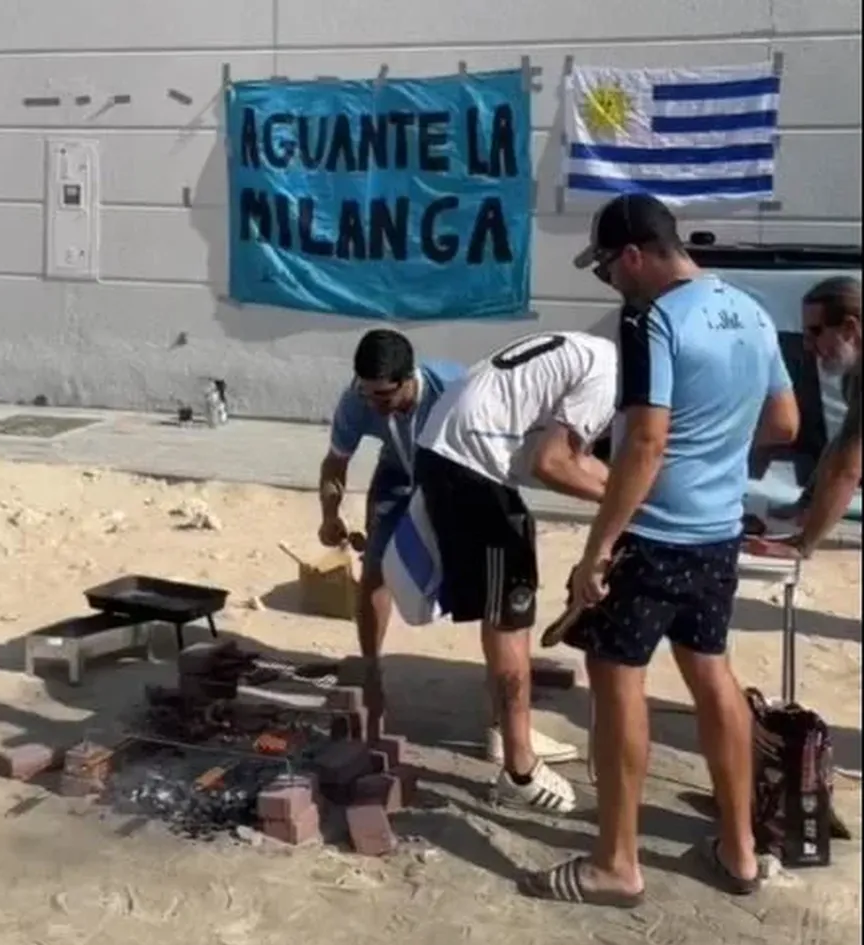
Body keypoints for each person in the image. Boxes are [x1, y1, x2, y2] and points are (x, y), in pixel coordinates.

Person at [523, 194, 799, 906]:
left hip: (656, 535)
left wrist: (599, 549)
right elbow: (785, 421)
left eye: (607, 267)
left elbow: (644, 443)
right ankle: (739, 852)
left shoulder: (651, 320)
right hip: (717, 533)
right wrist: (718, 455)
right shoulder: (752, 311)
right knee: (713, 675)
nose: (609, 282)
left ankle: (616, 862)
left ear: (636, 254)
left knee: (617, 684)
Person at [414, 329, 619, 814]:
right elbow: (552, 464)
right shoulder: (610, 378)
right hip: (468, 466)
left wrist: (627, 487)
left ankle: (507, 733)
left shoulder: (595, 352)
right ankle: (520, 769)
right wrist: (627, 502)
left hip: (455, 452)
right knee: (512, 608)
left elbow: (581, 457)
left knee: (504, 604)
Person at [317, 329, 466, 737]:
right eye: (367, 395)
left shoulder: (454, 389)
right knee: (375, 572)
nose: (374, 406)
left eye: (383, 397)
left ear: (408, 378)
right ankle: (371, 673)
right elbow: (335, 463)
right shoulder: (358, 398)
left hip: (454, 474)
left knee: (477, 581)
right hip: (398, 473)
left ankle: (501, 720)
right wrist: (329, 513)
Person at [762, 277, 861, 556]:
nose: (808, 345)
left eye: (816, 332)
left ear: (849, 328)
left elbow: (847, 469)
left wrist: (802, 545)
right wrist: (806, 502)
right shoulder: (854, 372)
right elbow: (841, 445)